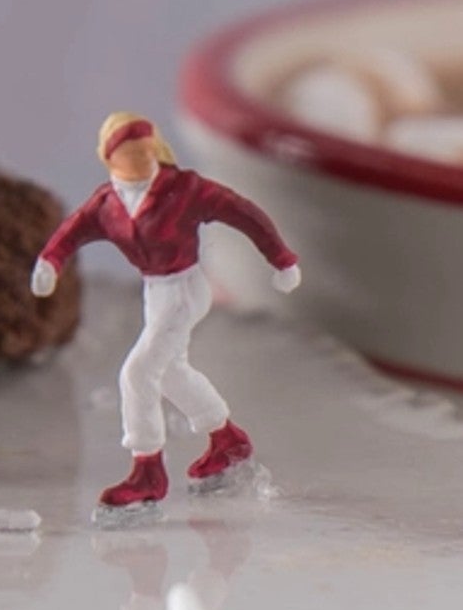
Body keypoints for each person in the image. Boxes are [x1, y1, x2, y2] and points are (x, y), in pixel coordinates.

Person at [32, 112, 300, 515]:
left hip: (186, 289)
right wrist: (50, 262)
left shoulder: (184, 189)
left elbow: (243, 212)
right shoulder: (107, 203)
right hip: (153, 292)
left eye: (147, 149)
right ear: (108, 157)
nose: (143, 158)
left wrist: (281, 258)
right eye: (130, 152)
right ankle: (227, 441)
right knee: (170, 371)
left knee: (137, 373)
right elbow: (72, 230)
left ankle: (148, 471)